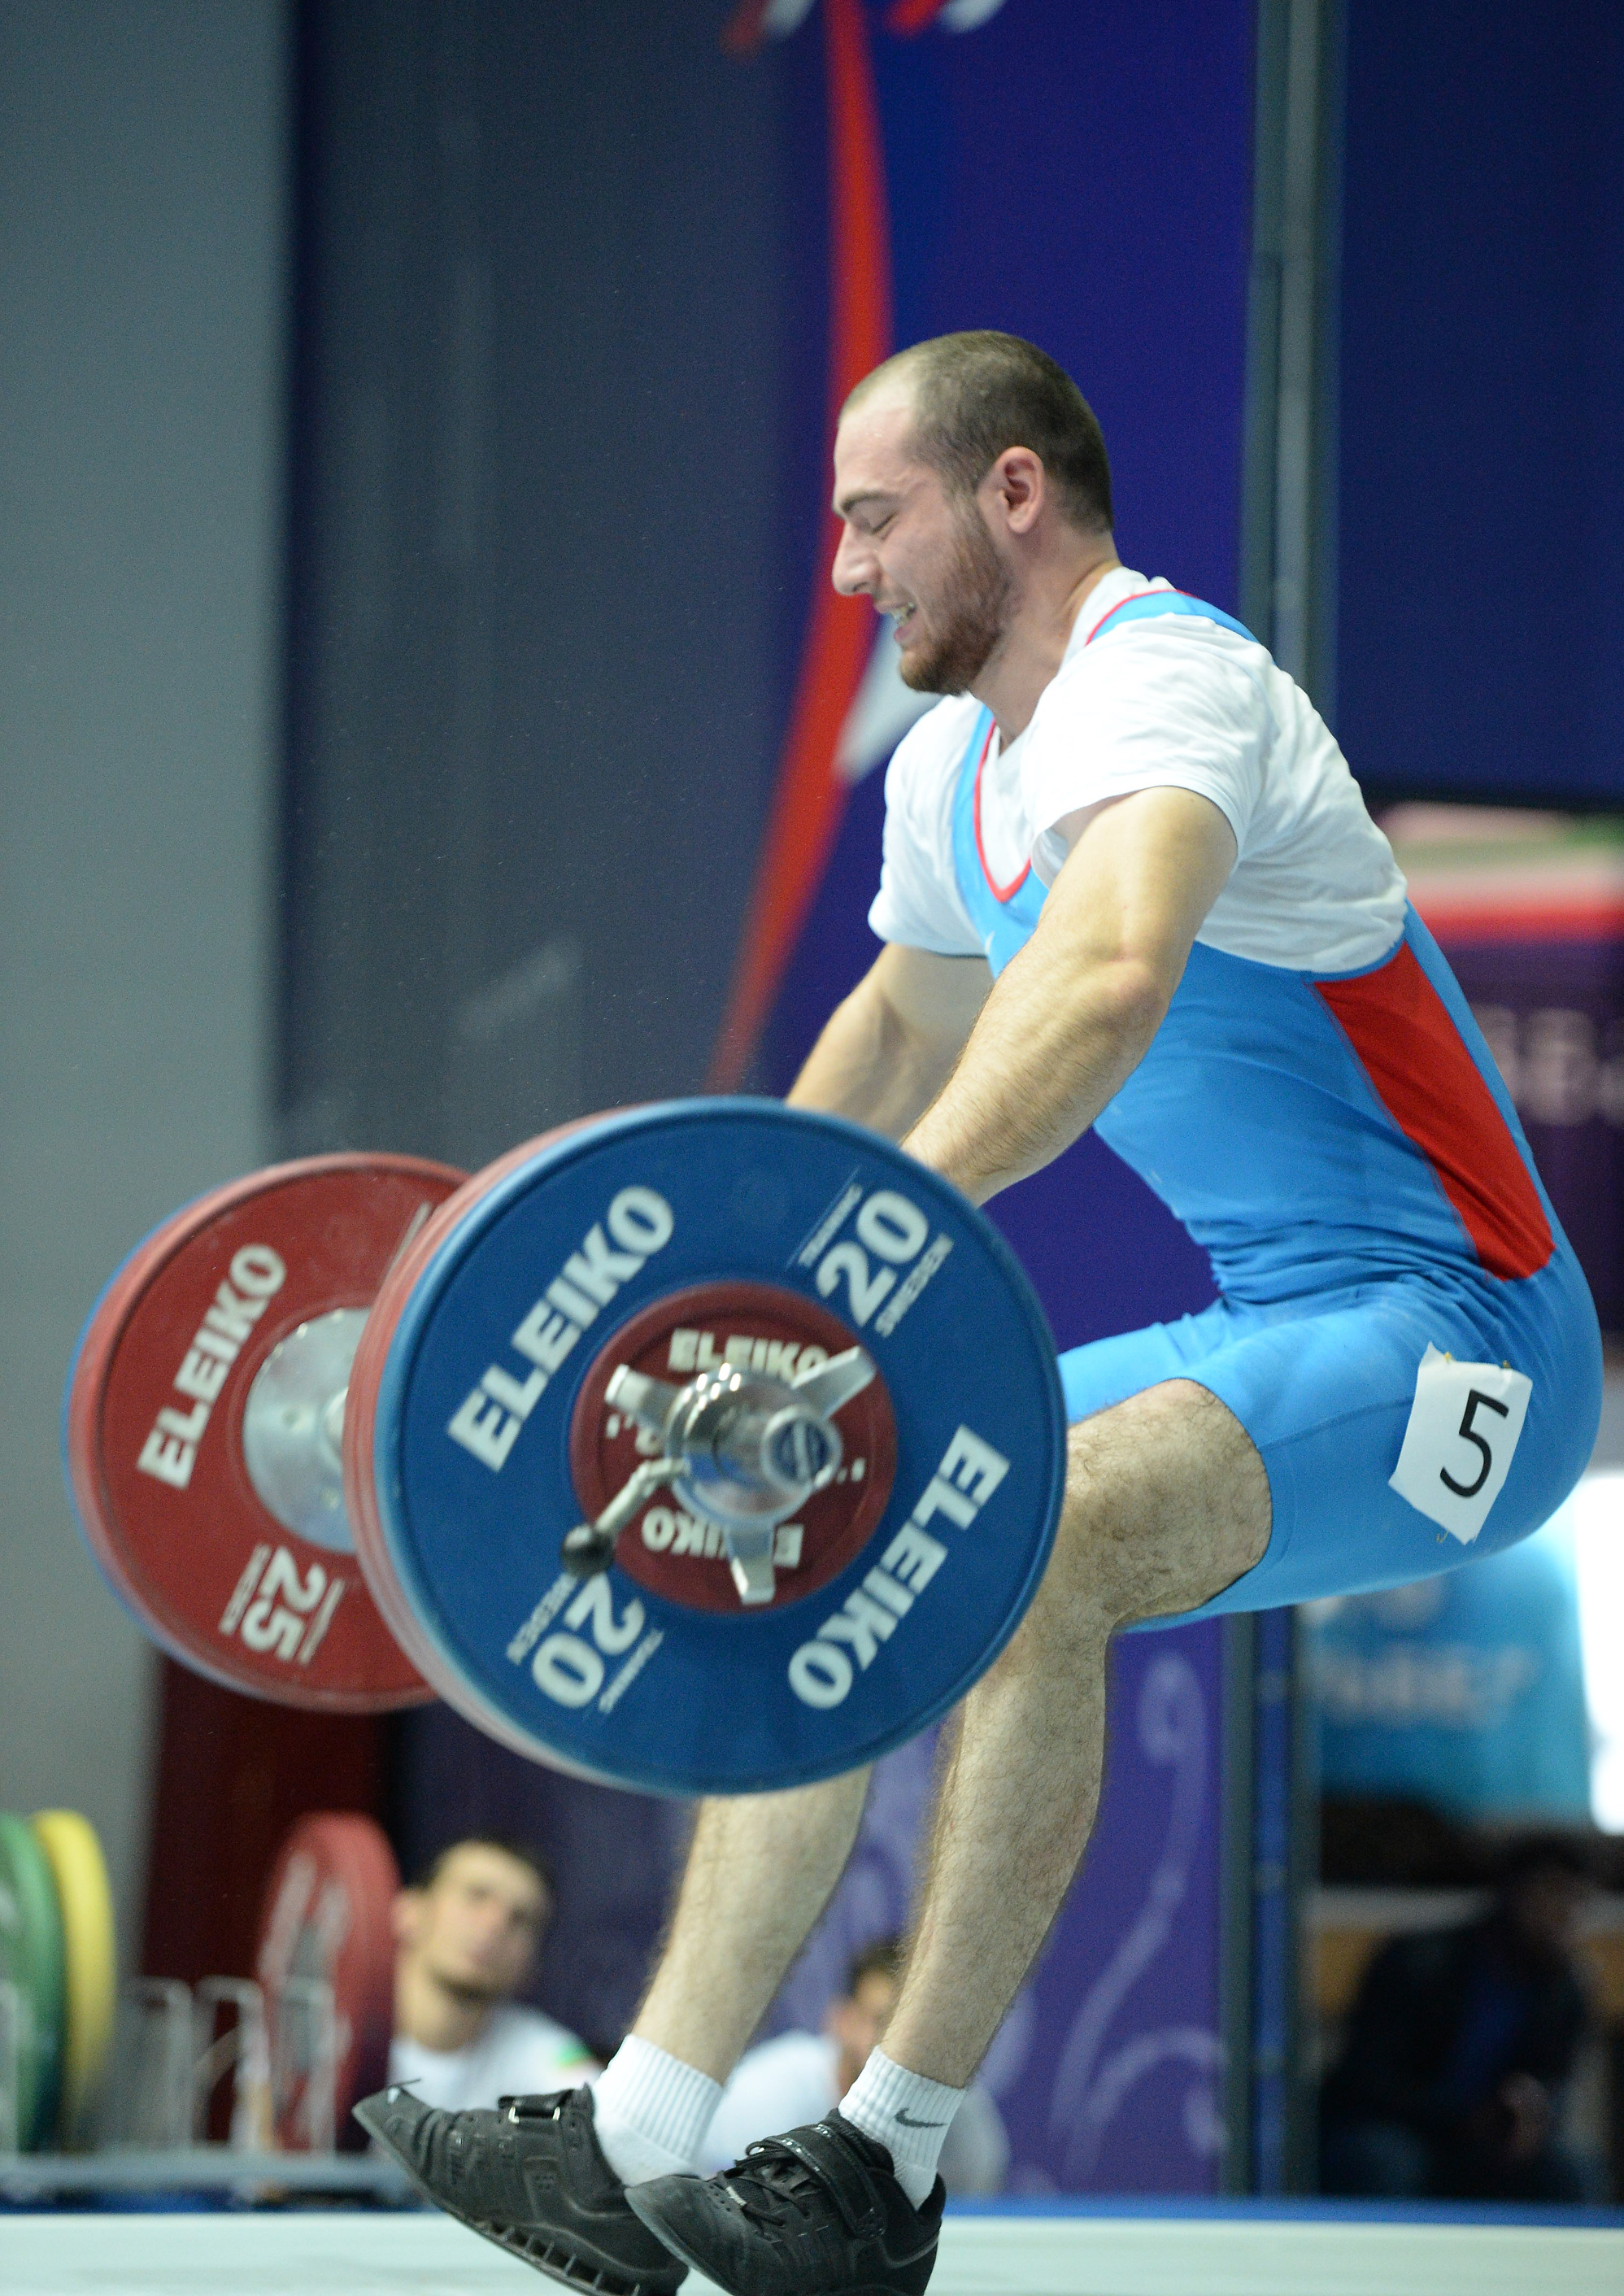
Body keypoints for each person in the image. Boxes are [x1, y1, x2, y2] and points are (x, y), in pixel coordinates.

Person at [360, 331, 1602, 2296]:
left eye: (875, 518)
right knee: (839, 1518)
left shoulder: (1167, 682)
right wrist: (717, 1286)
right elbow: (895, 1027)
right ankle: (637, 2131)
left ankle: (885, 2163)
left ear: (1010, 491)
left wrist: (872, 1264)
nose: (845, 568)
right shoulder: (949, 770)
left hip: (1469, 1337)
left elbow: (1101, 982)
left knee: (1040, 1543)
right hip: (1275, 1316)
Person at [1320, 1834, 1602, 2202]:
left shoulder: (1565, 1991)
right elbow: (1367, 2078)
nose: (1563, 1915)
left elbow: (1554, 2082)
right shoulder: (1419, 1962)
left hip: (1490, 2140)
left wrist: (1529, 2113)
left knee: (1570, 2173)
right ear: (1512, 1893)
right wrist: (1458, 2117)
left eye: (1576, 1900)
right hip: (1403, 2127)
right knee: (1383, 2162)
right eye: (1550, 1895)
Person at [700, 1940, 1008, 2196]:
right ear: (842, 2022)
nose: (904, 2047)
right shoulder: (764, 2099)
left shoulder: (962, 2123)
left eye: (922, 2031)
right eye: (882, 2022)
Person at [389, 1836, 598, 2111]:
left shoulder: (549, 2049)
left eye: (520, 1918)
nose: (494, 1924)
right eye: (476, 1896)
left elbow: (603, 2116)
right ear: (408, 1910)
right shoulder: (333, 2022)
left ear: (533, 1964)